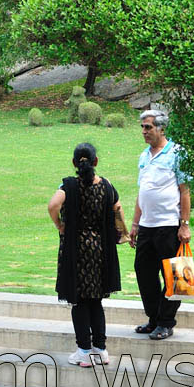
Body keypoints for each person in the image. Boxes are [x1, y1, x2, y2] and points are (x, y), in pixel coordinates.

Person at [47, 142, 123, 367]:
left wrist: (59, 224)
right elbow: (117, 211)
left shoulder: (68, 186)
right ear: (96, 162)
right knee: (96, 301)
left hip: (77, 251)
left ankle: (83, 351)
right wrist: (125, 234)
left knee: (79, 301)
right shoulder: (107, 186)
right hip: (100, 251)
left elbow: (52, 205)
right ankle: (100, 350)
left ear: (74, 163)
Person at [130, 109, 190, 341]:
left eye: (148, 127)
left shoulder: (177, 153)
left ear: (162, 128)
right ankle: (154, 318)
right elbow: (142, 193)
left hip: (168, 226)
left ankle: (166, 323)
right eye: (143, 127)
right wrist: (135, 224)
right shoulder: (144, 156)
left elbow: (185, 192)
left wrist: (184, 224)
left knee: (173, 277)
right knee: (144, 273)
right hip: (146, 226)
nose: (144, 131)